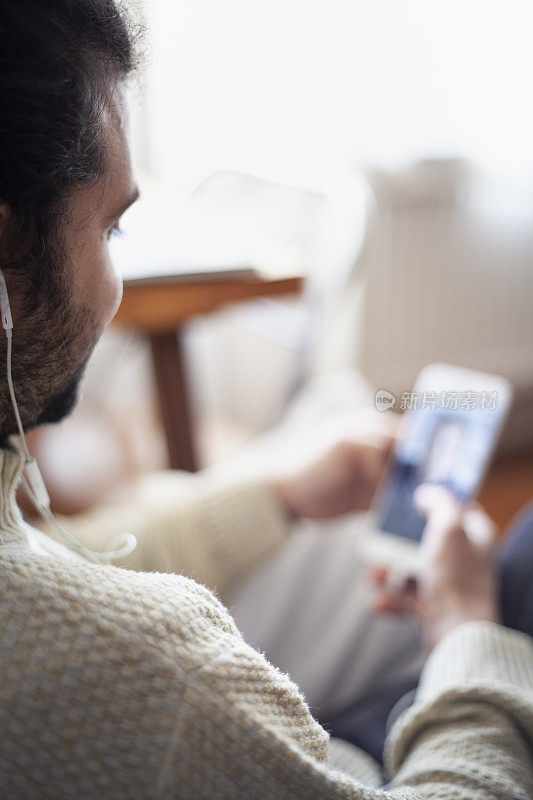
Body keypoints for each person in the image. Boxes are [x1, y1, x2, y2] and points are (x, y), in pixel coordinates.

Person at [0, 2, 531, 798]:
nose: (113, 283)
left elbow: (63, 555)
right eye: (111, 229)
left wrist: (277, 492)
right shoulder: (158, 674)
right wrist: (466, 629)